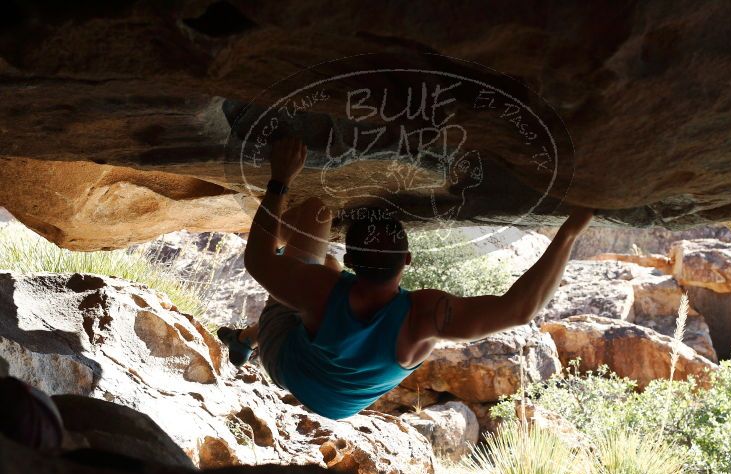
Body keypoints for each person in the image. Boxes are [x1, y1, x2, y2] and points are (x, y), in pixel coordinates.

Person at [219, 138, 593, 420]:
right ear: (408, 260)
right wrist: (570, 233)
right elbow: (521, 309)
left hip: (286, 360)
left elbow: (257, 259)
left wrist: (280, 180)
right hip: (341, 407)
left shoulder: (321, 290)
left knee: (314, 215)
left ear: (353, 260)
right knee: (318, 279)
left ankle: (250, 338)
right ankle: (243, 339)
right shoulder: (422, 319)